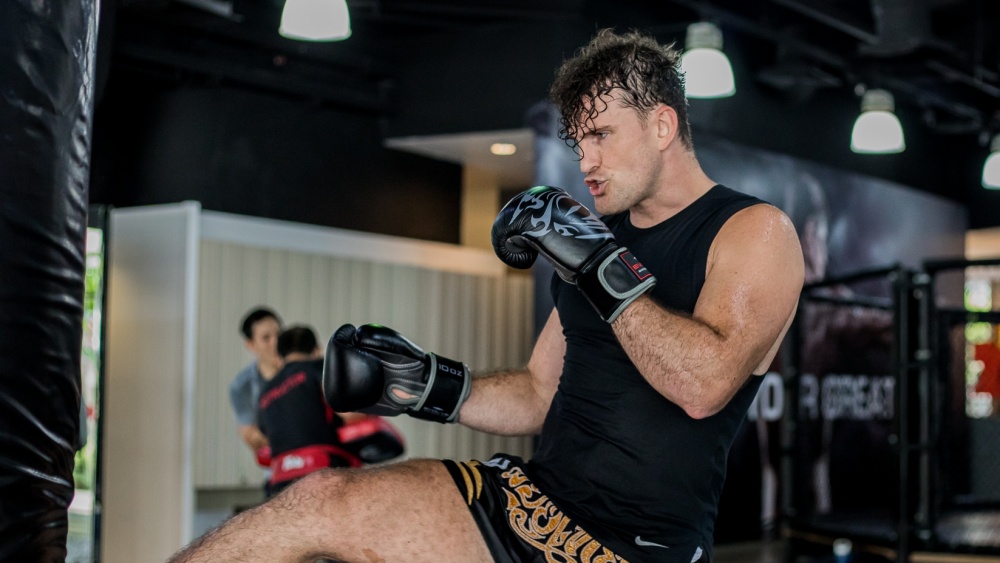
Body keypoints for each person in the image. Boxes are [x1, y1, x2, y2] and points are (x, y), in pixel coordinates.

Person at [168, 28, 804, 563]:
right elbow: (536, 393)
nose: (586, 161)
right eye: (578, 143)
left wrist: (599, 267)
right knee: (318, 501)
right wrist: (427, 384)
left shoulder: (754, 232)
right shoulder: (592, 241)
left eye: (602, 135)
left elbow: (703, 386)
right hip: (537, 500)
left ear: (663, 125)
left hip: (632, 546)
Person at [259, 325, 364, 498]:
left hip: (279, 487)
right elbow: (351, 415)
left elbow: (264, 438)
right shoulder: (320, 368)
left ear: (279, 358)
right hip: (326, 474)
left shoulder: (265, 393)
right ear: (317, 350)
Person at [229, 307, 283, 464]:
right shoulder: (242, 386)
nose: (276, 342)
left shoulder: (302, 370)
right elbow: (249, 434)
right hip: (278, 465)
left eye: (279, 334)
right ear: (250, 344)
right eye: (266, 338)